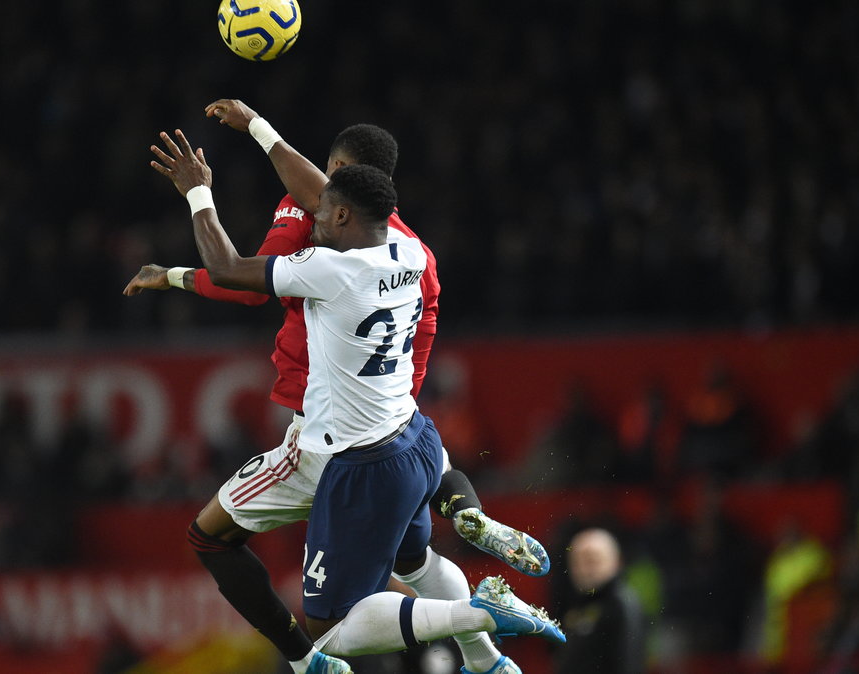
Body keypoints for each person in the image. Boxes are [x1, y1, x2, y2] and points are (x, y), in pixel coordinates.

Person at [124, 103, 548, 674]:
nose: (312, 211)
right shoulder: (413, 251)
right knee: (416, 560)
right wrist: (257, 126)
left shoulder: (328, 268)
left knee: (326, 625)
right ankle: (487, 661)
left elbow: (229, 270)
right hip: (413, 435)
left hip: (344, 455)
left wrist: (198, 192)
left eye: (323, 209)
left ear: (344, 215)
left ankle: (476, 617)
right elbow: (326, 192)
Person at [555, 528, 646, 674]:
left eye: (592, 560)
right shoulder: (580, 602)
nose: (584, 569)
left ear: (616, 562)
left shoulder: (622, 604)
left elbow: (627, 664)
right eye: (577, 562)